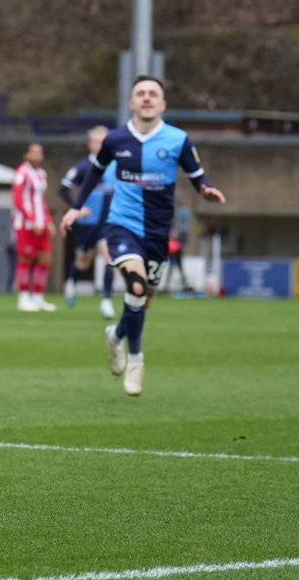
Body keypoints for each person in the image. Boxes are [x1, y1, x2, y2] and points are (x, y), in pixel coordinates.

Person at [60, 75, 225, 396]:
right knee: (134, 286)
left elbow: (198, 177)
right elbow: (94, 171)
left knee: (142, 300)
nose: (147, 98)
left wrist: (206, 191)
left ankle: (115, 335)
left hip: (158, 231)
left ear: (162, 104)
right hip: (122, 224)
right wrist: (75, 208)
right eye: (141, 93)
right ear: (132, 103)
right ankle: (136, 359)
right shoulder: (115, 140)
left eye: (153, 94)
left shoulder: (178, 140)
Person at [59, 126, 117, 318]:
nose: (100, 146)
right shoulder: (82, 168)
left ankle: (107, 301)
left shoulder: (115, 166)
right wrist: (77, 208)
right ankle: (71, 283)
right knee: (82, 263)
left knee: (110, 258)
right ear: (89, 144)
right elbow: (63, 189)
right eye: (96, 142)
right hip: (87, 223)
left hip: (108, 222)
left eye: (104, 142)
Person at [11, 143, 57, 312]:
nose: (38, 156)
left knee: (45, 259)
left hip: (41, 224)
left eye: (40, 153)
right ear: (26, 155)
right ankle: (23, 298)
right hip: (26, 225)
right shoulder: (22, 173)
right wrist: (31, 219)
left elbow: (41, 201)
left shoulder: (41, 174)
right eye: (34, 153)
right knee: (26, 259)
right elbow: (18, 199)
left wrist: (48, 220)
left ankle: (38, 298)